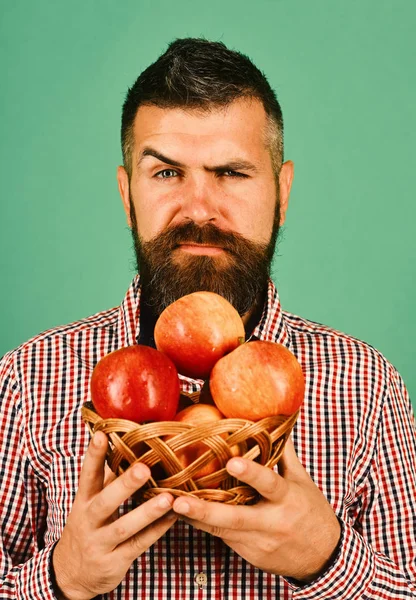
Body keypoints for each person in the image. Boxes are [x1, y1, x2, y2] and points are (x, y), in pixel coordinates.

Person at [0, 37, 415, 600]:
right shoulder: (27, 381)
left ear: (282, 194)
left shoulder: (367, 387)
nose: (199, 209)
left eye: (232, 173)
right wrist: (61, 577)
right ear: (127, 195)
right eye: (167, 174)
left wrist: (329, 559)